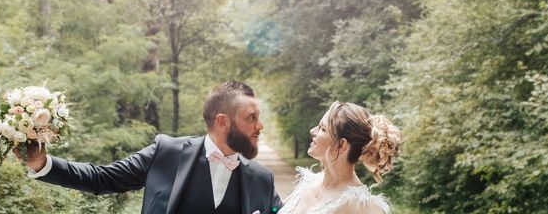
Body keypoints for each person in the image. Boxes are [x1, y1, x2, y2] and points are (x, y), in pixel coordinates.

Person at [21, 81, 283, 214]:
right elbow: (102, 178)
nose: (260, 126)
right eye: (251, 117)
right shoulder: (166, 153)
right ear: (223, 122)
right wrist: (42, 164)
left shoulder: (262, 179)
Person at [279, 101, 401, 214]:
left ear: (341, 145)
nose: (312, 131)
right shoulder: (308, 183)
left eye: (322, 129)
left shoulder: (360, 207)